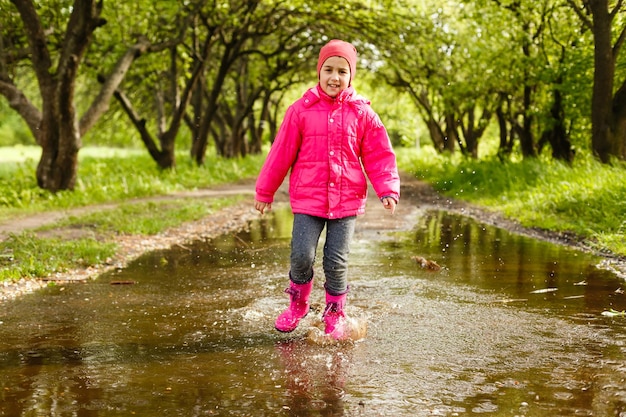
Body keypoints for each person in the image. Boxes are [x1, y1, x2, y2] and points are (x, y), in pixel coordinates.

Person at [254, 39, 400, 340]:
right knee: (301, 255)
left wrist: (387, 188)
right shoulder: (300, 111)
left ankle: (334, 312)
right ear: (319, 72)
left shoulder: (362, 114)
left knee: (336, 261)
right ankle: (298, 304)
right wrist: (265, 192)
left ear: (351, 76)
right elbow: (280, 153)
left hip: (346, 200)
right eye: (329, 69)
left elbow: (378, 155)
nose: (335, 77)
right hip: (309, 198)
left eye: (342, 71)